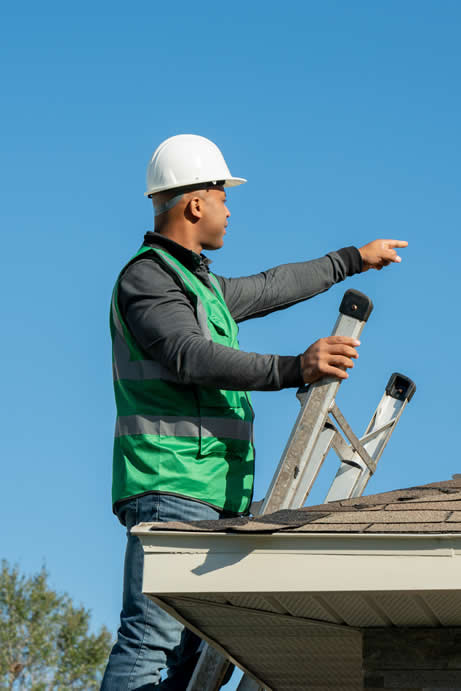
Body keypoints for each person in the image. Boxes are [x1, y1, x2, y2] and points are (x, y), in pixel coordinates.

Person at [101, 134, 407, 690]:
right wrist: (296, 367)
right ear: (196, 204)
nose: (228, 210)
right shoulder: (147, 278)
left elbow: (271, 286)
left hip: (213, 493)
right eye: (223, 197)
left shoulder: (200, 285)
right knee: (152, 644)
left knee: (192, 660)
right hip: (172, 485)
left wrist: (351, 260)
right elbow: (189, 357)